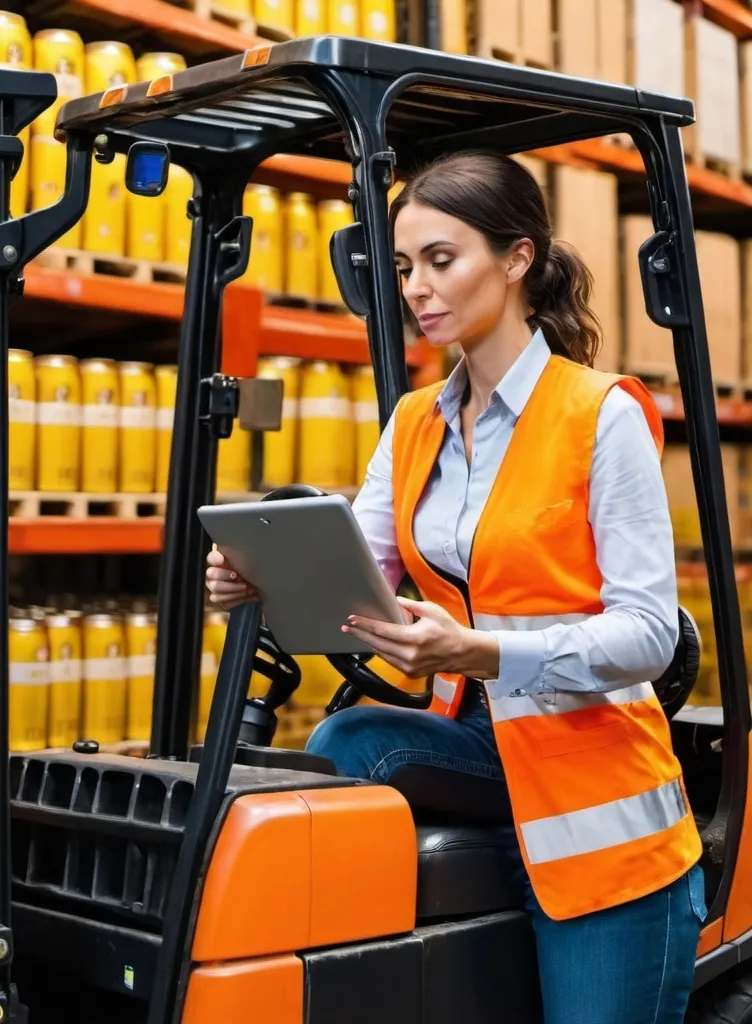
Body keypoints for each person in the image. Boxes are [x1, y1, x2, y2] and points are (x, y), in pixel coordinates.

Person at [206, 150, 706, 1024]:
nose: (417, 287)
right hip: (478, 746)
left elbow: (649, 634)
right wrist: (261, 580)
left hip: (595, 797)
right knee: (350, 738)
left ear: (517, 259)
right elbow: (359, 574)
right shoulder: (411, 425)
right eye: (404, 267)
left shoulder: (601, 414)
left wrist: (483, 651)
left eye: (442, 260)